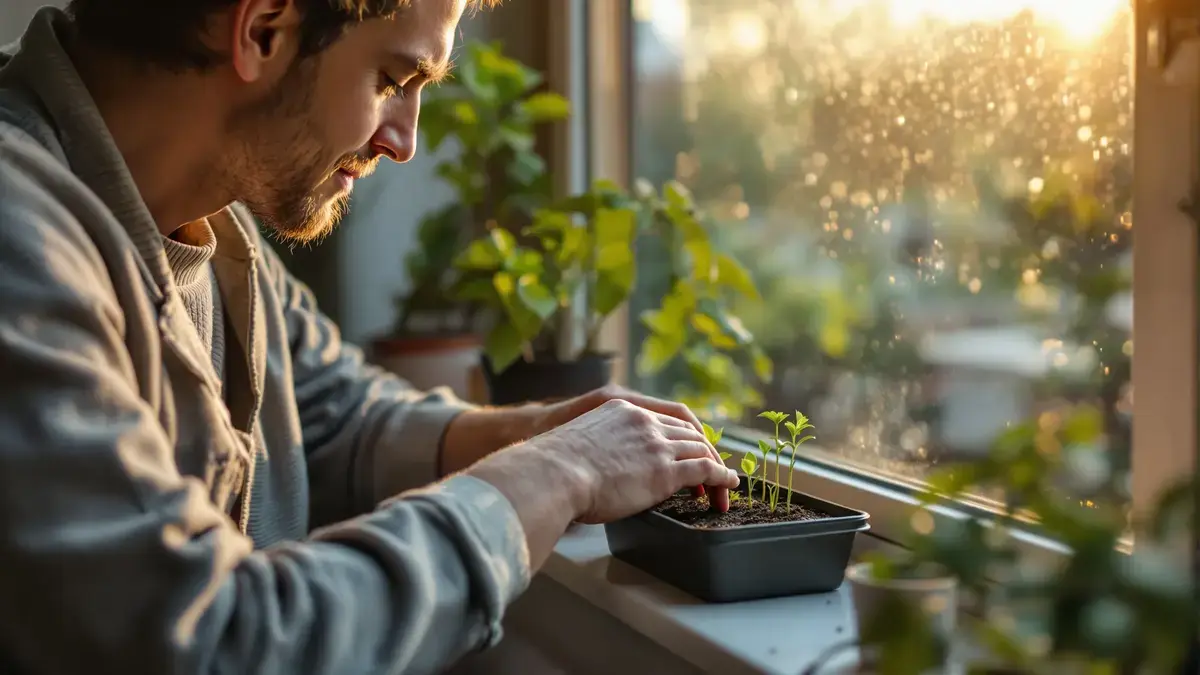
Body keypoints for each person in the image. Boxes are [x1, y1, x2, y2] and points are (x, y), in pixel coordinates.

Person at [0, 1, 739, 673]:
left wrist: (537, 430)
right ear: (264, 30)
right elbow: (207, 641)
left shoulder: (206, 220)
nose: (404, 140)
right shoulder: (19, 242)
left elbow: (337, 415)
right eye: (393, 78)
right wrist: (558, 473)